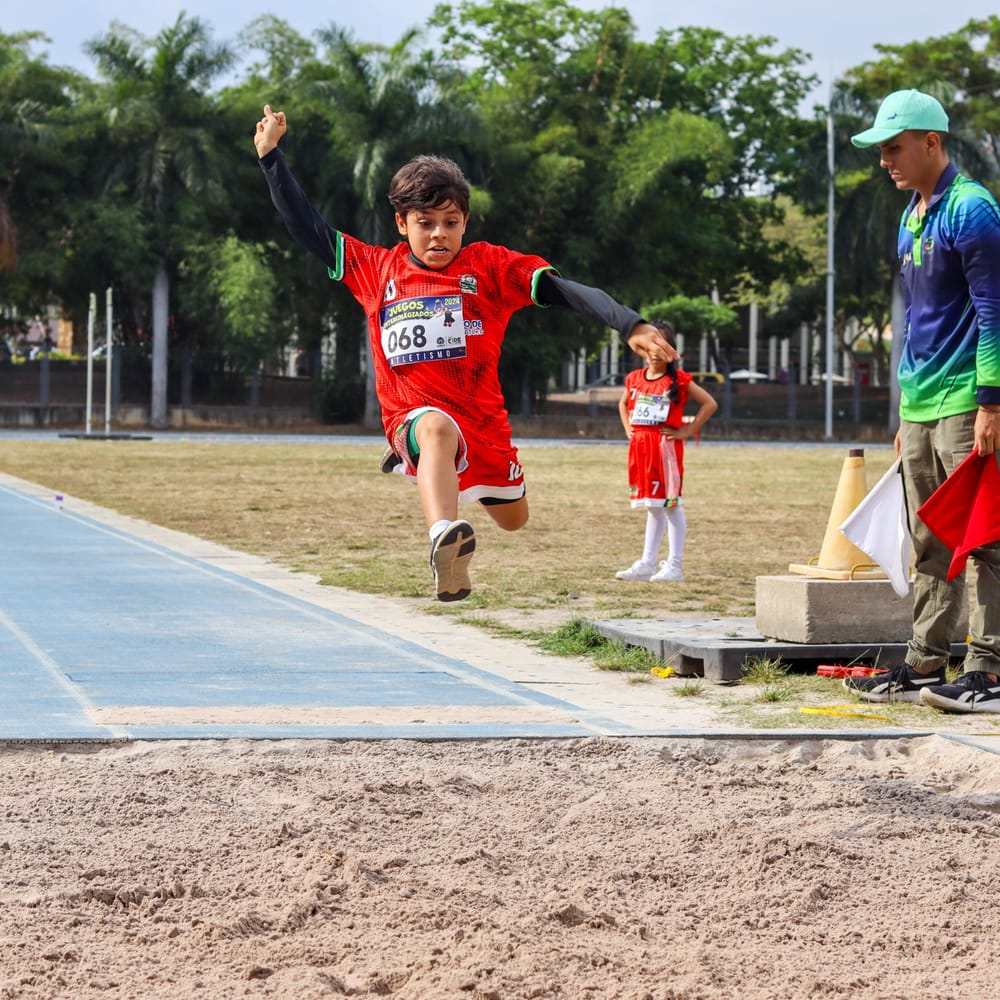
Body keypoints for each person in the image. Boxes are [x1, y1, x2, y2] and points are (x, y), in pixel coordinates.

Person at [253, 104, 678, 603]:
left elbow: (566, 290)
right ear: (401, 224)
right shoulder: (374, 270)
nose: (439, 234)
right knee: (433, 428)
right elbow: (307, 226)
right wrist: (270, 159)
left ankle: (461, 502)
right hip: (415, 417)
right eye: (425, 222)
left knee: (514, 520)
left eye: (450, 222)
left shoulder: (490, 267)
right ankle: (443, 539)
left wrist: (629, 322)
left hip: (485, 428)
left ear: (465, 221)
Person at [843, 89, 1000, 712]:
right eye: (880, 150)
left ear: (932, 142)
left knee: (985, 536)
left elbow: (994, 313)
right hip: (922, 405)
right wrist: (906, 413)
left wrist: (992, 403)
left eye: (894, 147)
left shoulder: (973, 209)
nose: (885, 160)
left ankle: (988, 671)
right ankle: (926, 659)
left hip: (968, 402)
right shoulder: (911, 213)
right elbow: (917, 321)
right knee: (929, 536)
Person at [615, 320, 718, 583]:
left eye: (662, 342)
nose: (655, 348)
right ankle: (648, 563)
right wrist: (628, 428)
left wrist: (687, 430)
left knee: (670, 505)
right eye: (651, 341)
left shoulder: (680, 381)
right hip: (641, 449)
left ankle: (675, 565)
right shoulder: (634, 379)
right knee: (653, 507)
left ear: (670, 349)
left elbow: (709, 404)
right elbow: (623, 404)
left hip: (665, 450)